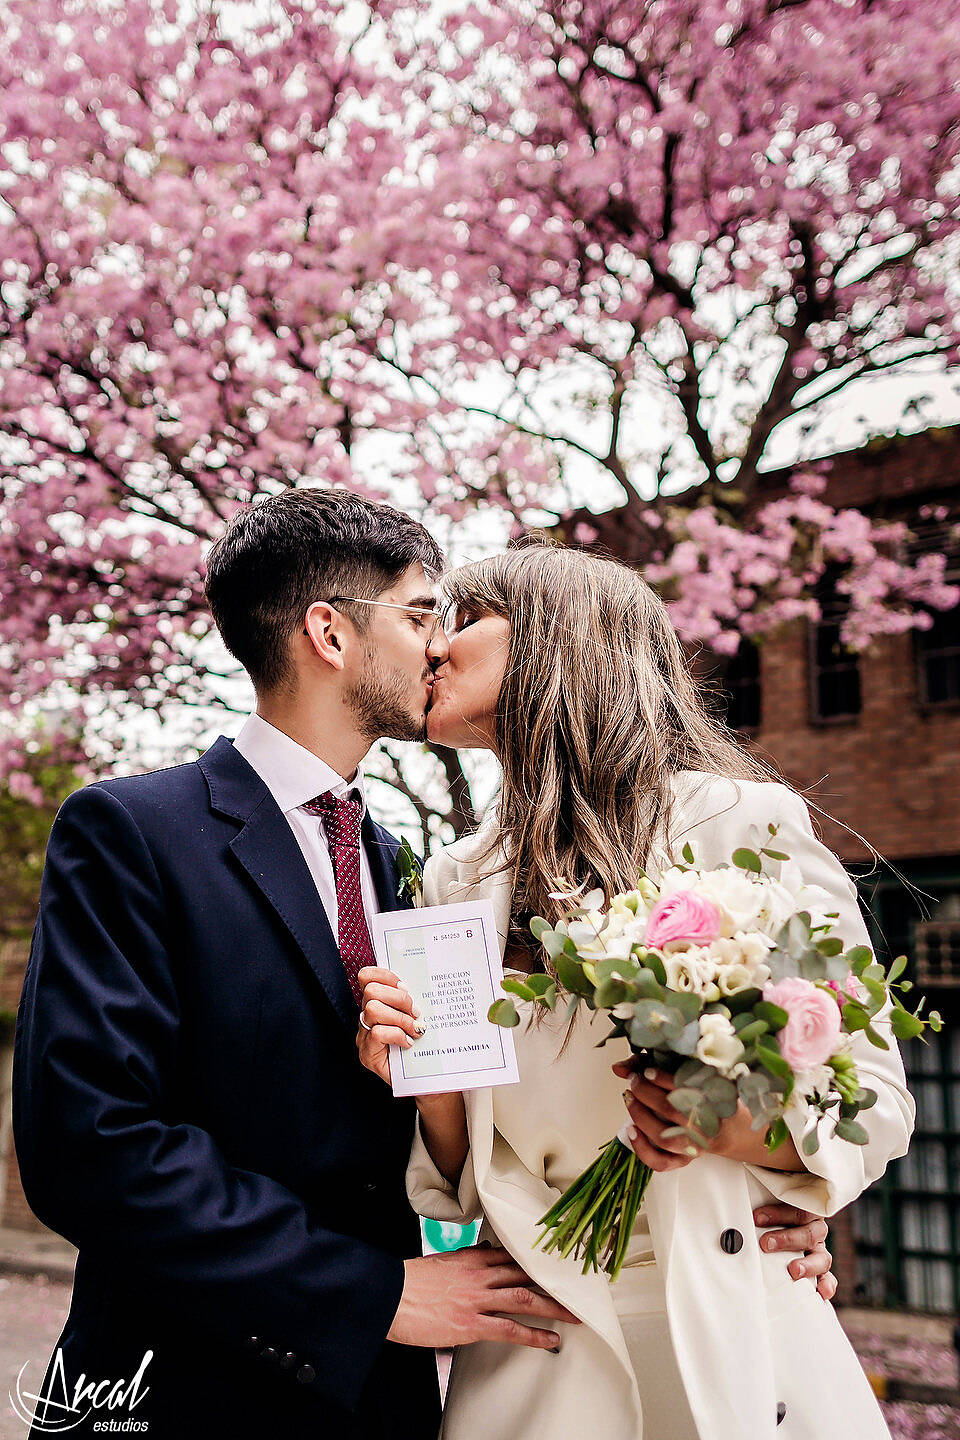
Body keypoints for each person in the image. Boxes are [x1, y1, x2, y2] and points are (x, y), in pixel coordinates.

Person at [12, 491, 581, 1440]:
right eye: (418, 613)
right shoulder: (131, 831)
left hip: (376, 1407)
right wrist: (373, 1294)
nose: (438, 645)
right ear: (330, 632)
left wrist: (721, 1200)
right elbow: (93, 1145)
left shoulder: (398, 860)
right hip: (180, 1395)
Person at [356, 543, 914, 1440]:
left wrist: (734, 1132)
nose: (434, 649)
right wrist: (413, 1066)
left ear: (553, 639)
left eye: (464, 619)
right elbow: (461, 1179)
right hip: (538, 1342)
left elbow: (873, 1098)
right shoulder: (453, 877)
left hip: (731, 1317)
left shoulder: (740, 822)